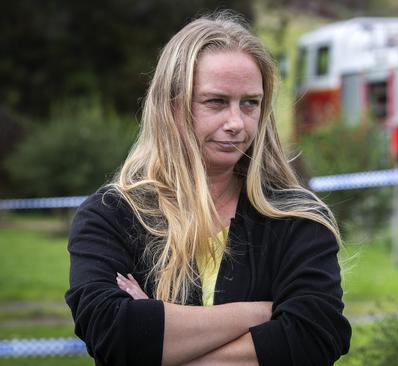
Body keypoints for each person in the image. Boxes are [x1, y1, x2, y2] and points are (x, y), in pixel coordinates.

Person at [65, 12, 351, 366]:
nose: (236, 123)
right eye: (216, 102)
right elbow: (113, 333)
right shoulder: (111, 216)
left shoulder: (296, 217)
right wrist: (261, 313)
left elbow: (313, 338)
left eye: (250, 103)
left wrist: (161, 335)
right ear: (172, 108)